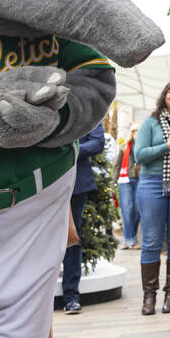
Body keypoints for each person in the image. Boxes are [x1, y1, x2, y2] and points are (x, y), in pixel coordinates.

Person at [133, 80, 170, 315]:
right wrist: (168, 145)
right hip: (152, 184)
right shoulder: (151, 122)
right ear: (164, 94)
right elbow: (140, 155)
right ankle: (149, 297)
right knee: (152, 241)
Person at [61, 122, 106, 315]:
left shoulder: (88, 111)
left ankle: (71, 296)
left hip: (77, 184)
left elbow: (97, 142)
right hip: (44, 183)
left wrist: (69, 151)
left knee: (72, 237)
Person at [111, 124, 141, 249]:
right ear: (131, 133)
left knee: (137, 210)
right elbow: (117, 165)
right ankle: (128, 240)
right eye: (134, 132)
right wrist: (113, 182)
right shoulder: (124, 148)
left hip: (140, 180)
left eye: (139, 131)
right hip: (125, 180)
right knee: (127, 210)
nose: (136, 134)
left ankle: (131, 238)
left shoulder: (144, 147)